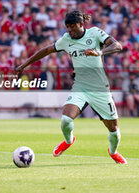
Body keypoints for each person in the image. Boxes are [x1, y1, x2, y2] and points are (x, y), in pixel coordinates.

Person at [15, 10, 127, 164]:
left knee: (114, 131)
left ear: (81, 24)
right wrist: (24, 65)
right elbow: (46, 51)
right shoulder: (66, 40)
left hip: (100, 88)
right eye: (67, 27)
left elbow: (117, 45)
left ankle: (113, 152)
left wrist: (99, 52)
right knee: (66, 120)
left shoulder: (95, 33)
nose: (69, 30)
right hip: (80, 86)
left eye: (72, 26)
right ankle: (68, 141)